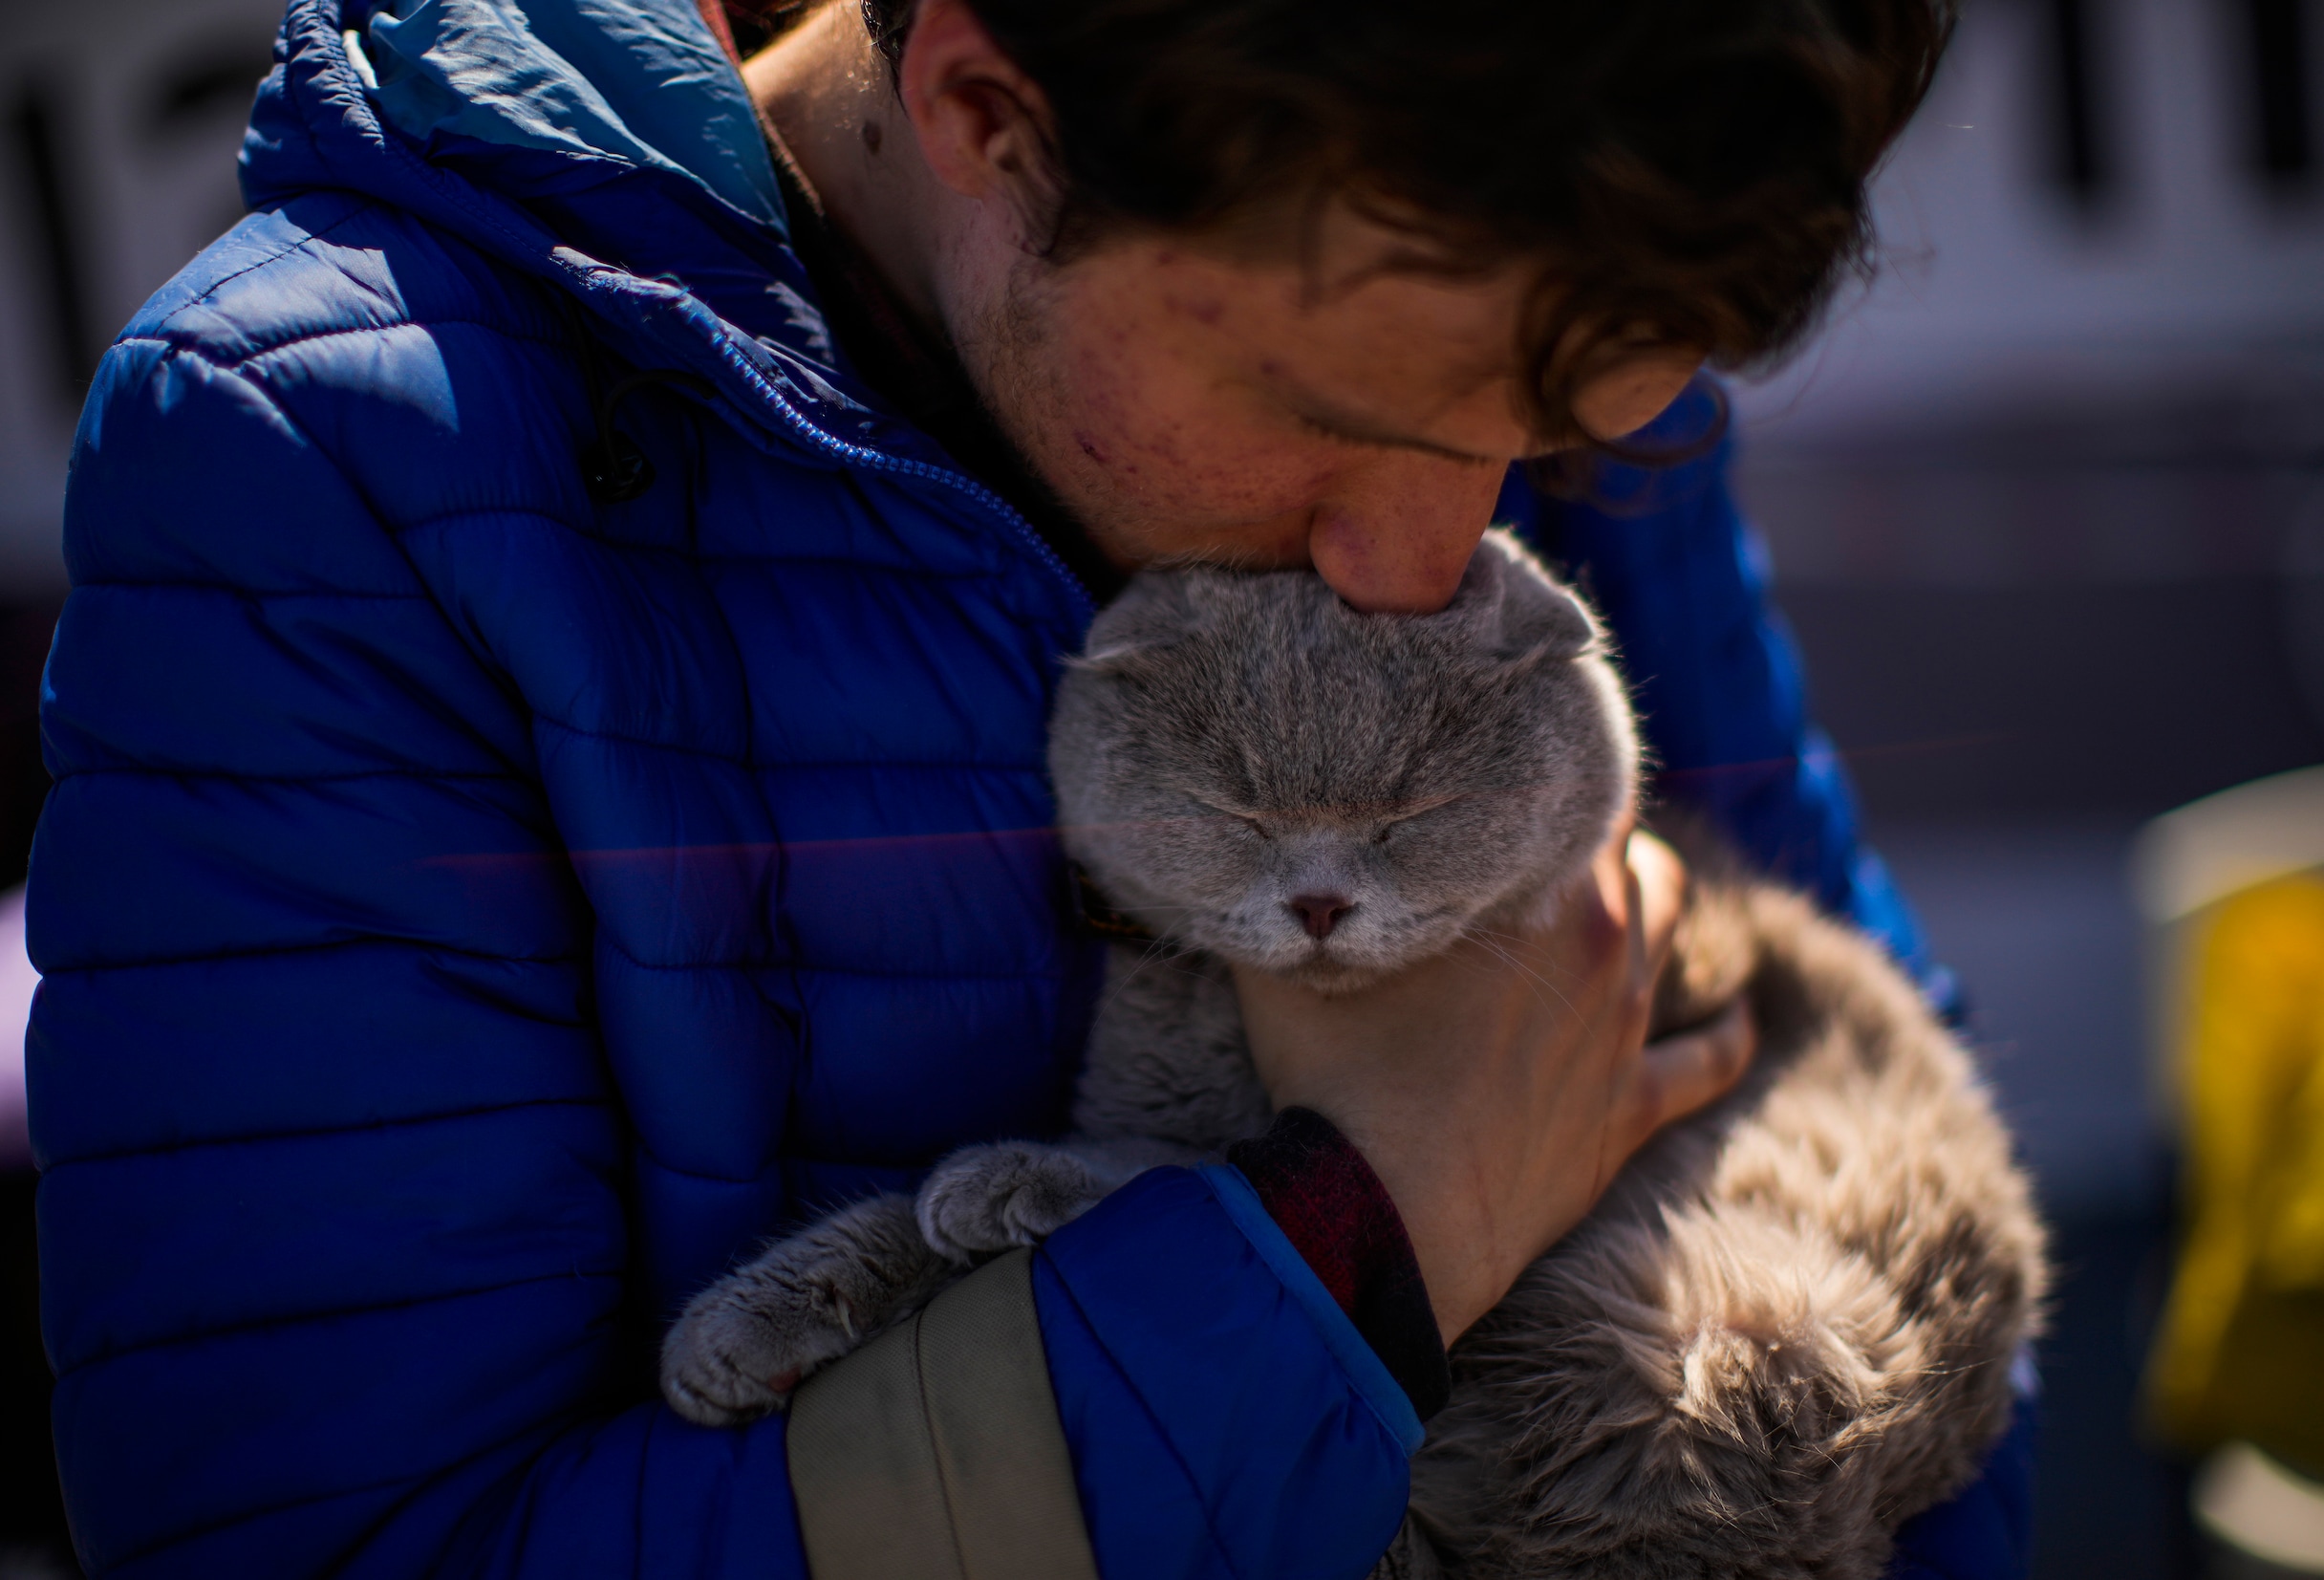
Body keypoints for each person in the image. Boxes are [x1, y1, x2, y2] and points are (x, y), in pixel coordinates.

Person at [27, 0, 2033, 1572]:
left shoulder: (1519, 265)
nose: (1443, 556)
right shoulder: (323, 470)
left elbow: (1925, 1200)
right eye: (1336, 421)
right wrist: (1370, 1226)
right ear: (994, 117)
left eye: (1565, 428)